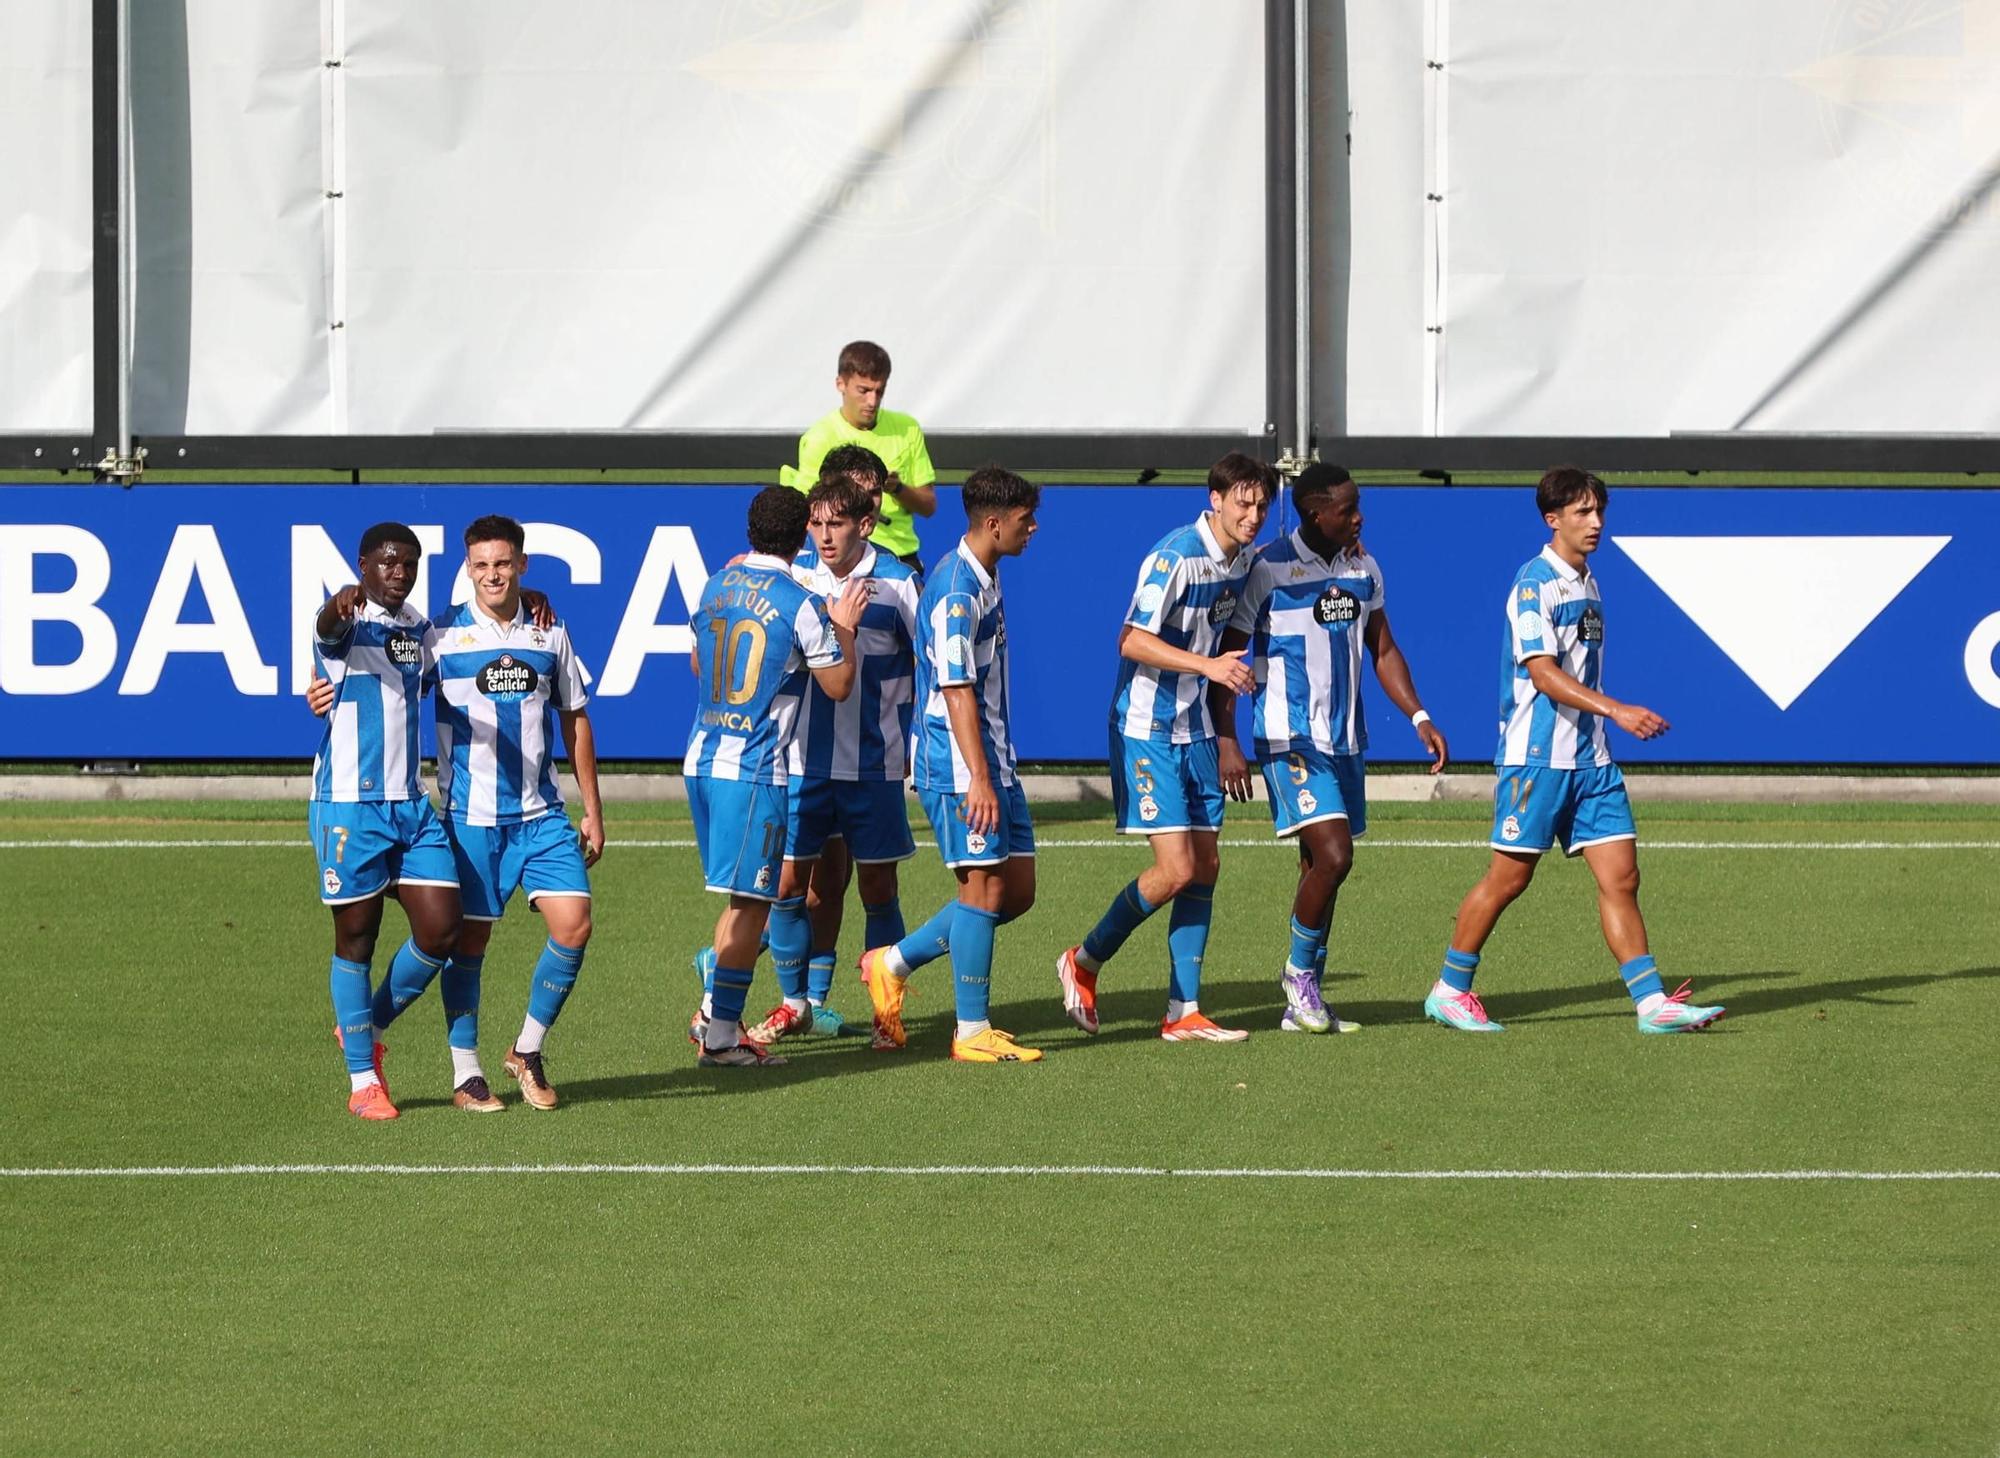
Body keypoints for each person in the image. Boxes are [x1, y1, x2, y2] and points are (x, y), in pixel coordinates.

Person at [1425, 467, 1723, 1035]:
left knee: (1622, 878)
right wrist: (1617, 710)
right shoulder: (1534, 584)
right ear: (1552, 519)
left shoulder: (1588, 581)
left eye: (1599, 511)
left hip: (1592, 762)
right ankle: (1450, 990)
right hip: (1538, 761)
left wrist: (1605, 725)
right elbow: (1542, 675)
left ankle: (1651, 1004)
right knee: (1508, 880)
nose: (1596, 522)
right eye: (1583, 512)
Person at [1214, 464, 1449, 1035]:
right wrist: (1226, 739)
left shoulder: (1363, 567)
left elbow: (1383, 648)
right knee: (1337, 856)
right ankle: (1298, 977)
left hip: (1345, 740)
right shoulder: (1267, 569)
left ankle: (1305, 1001)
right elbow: (1229, 656)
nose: (1359, 517)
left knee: (1320, 866)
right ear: (1316, 514)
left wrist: (1419, 715)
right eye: (1348, 509)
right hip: (1289, 739)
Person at [1053, 453, 1273, 1042]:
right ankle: (1083, 960)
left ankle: (1183, 1011)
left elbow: (1233, 641)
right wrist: (1208, 666)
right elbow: (1130, 641)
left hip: (1196, 729)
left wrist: (1226, 737)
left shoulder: (1246, 560)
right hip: (1146, 727)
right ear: (1215, 500)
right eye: (1243, 502)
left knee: (1206, 866)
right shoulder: (1176, 556)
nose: (1253, 515)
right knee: (1176, 869)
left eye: (1261, 505)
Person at [858, 466, 1042, 1063]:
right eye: (1025, 520)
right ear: (994, 524)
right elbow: (956, 689)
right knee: (982, 890)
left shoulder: (985, 574)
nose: (1033, 529)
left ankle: (892, 963)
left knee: (1016, 891)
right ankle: (971, 1029)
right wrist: (979, 779)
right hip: (961, 766)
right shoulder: (957, 592)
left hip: (992, 759)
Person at [685, 486, 866, 1065]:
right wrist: (844, 627)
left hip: (701, 759)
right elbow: (839, 685)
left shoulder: (716, 584)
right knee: (751, 907)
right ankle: (721, 1036)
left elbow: (698, 662)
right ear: (799, 535)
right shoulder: (800, 603)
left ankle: (714, 1018)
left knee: (740, 902)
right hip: (754, 770)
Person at [740, 470, 922, 1045]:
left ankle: (886, 1016)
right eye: (815, 524)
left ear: (864, 524)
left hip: (875, 764)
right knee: (787, 886)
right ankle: (795, 1004)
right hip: (802, 762)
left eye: (835, 524)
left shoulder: (898, 583)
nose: (823, 535)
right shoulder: (794, 578)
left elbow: (931, 667)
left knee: (878, 890)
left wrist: (917, 742)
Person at [309, 522, 462, 1120]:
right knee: (358, 936)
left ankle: (363, 1027)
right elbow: (327, 631)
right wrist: (338, 604)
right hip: (349, 803)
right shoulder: (349, 621)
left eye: (409, 564)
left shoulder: (418, 628)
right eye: (388, 563)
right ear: (364, 564)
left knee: (441, 930)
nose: (399, 573)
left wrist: (530, 601)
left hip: (410, 805)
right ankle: (363, 1080)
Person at [780, 340, 936, 574]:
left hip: (901, 557)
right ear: (840, 384)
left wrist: (897, 488)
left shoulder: (908, 428)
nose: (872, 401)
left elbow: (928, 505)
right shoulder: (819, 437)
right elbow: (806, 510)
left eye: (879, 391)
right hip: (844, 559)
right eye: (863, 390)